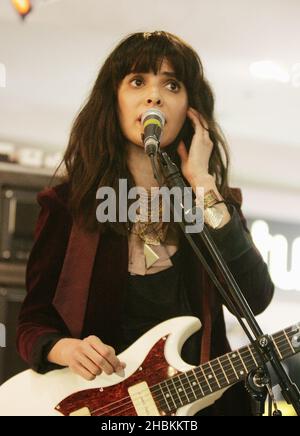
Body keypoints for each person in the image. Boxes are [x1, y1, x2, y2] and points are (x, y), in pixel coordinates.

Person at [17, 31, 274, 416]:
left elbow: (255, 297)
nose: (154, 96)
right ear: (114, 101)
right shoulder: (68, 206)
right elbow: (32, 323)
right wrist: (67, 349)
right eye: (138, 81)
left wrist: (203, 185)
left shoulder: (212, 203)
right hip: (105, 407)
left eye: (171, 84)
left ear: (191, 109)